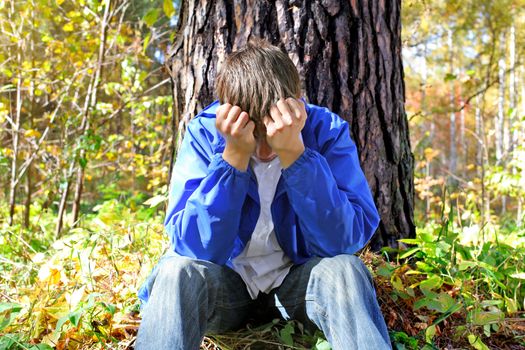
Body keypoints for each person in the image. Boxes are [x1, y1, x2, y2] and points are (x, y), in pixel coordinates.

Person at [135, 38, 391, 349]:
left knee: (346, 270)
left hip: (299, 284)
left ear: (295, 105)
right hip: (227, 287)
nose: (267, 148)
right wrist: (232, 159)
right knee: (176, 271)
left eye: (272, 128)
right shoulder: (205, 133)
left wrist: (296, 155)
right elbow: (194, 248)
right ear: (232, 115)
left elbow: (342, 243)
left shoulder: (326, 131)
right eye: (256, 133)